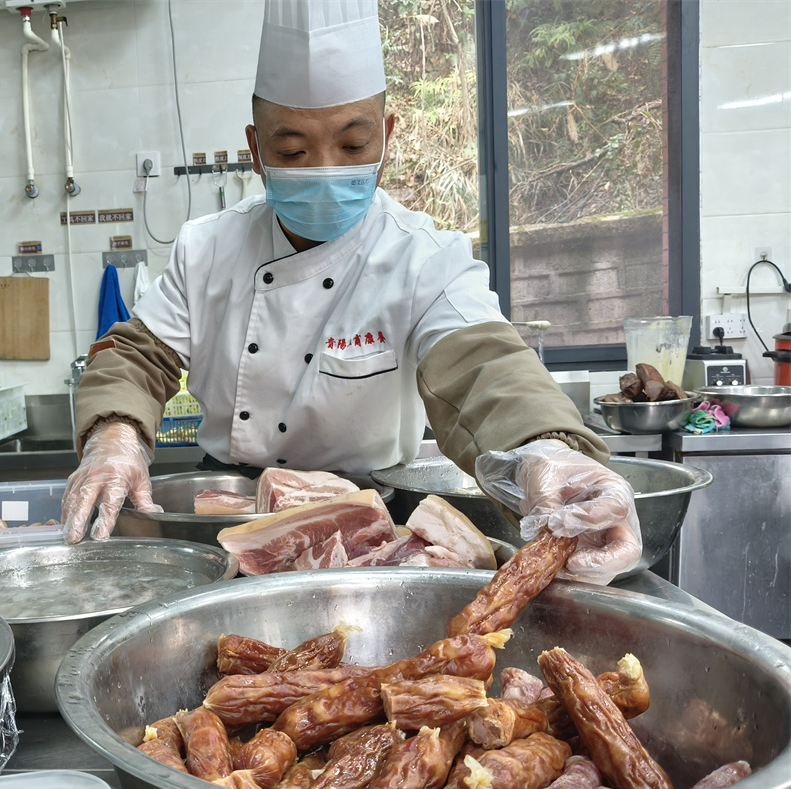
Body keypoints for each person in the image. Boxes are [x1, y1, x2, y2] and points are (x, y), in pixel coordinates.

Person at [62, 0, 641, 585]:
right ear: (256, 149)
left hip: (365, 531)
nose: (324, 169)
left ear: (387, 137)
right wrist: (115, 435)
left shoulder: (423, 256)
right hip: (228, 513)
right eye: (292, 152)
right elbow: (137, 356)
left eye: (354, 145)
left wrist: (548, 452)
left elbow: (485, 366)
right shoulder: (207, 246)